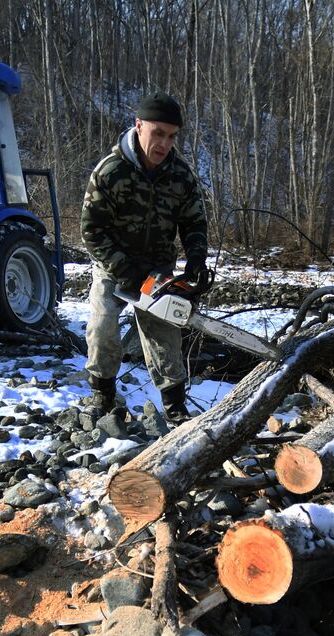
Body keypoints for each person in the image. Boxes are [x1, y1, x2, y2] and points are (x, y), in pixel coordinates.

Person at [81, 92, 209, 423]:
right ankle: (102, 393)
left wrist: (196, 259)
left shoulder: (180, 175)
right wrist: (122, 267)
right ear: (139, 126)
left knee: (164, 333)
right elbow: (92, 230)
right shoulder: (110, 172)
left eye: (172, 136)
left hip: (158, 269)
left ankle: (175, 404)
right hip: (114, 267)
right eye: (158, 133)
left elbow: (194, 221)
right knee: (103, 323)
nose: (165, 143)